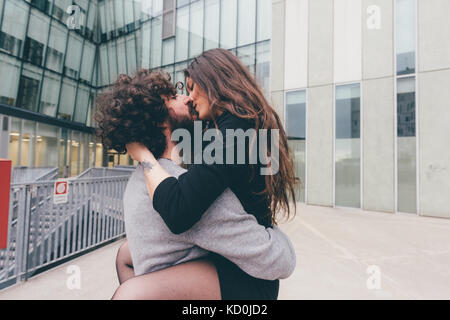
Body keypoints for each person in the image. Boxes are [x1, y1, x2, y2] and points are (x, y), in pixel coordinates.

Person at [95, 70, 296, 300]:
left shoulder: (140, 178)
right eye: (174, 96)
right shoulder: (184, 191)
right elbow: (281, 261)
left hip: (177, 282)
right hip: (252, 293)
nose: (188, 98)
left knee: (124, 255)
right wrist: (274, 233)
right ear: (160, 121)